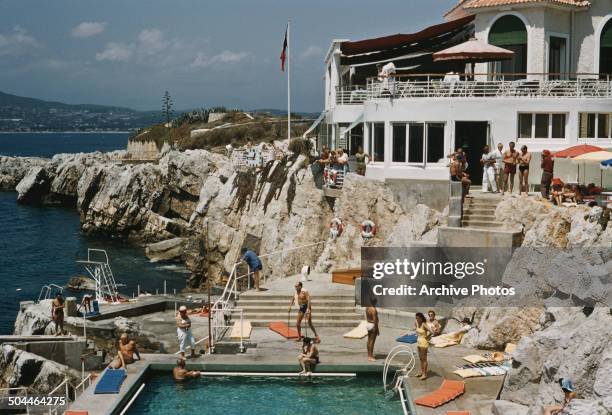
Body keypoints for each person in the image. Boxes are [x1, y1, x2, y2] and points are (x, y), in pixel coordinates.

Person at [415, 312, 434, 380]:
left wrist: (427, 337)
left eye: (417, 318)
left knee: (424, 359)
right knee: (420, 359)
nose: (416, 319)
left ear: (421, 318)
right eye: (416, 318)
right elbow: (417, 330)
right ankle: (422, 372)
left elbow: (432, 332)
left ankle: (424, 374)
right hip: (418, 342)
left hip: (424, 342)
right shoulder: (417, 323)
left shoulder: (424, 324)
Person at [365, 297, 379, 362]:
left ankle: (369, 355)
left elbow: (368, 318)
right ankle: (370, 356)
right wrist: (377, 329)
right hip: (373, 325)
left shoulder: (367, 307)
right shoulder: (373, 309)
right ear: (374, 302)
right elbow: (375, 320)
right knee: (372, 341)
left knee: (369, 340)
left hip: (368, 324)